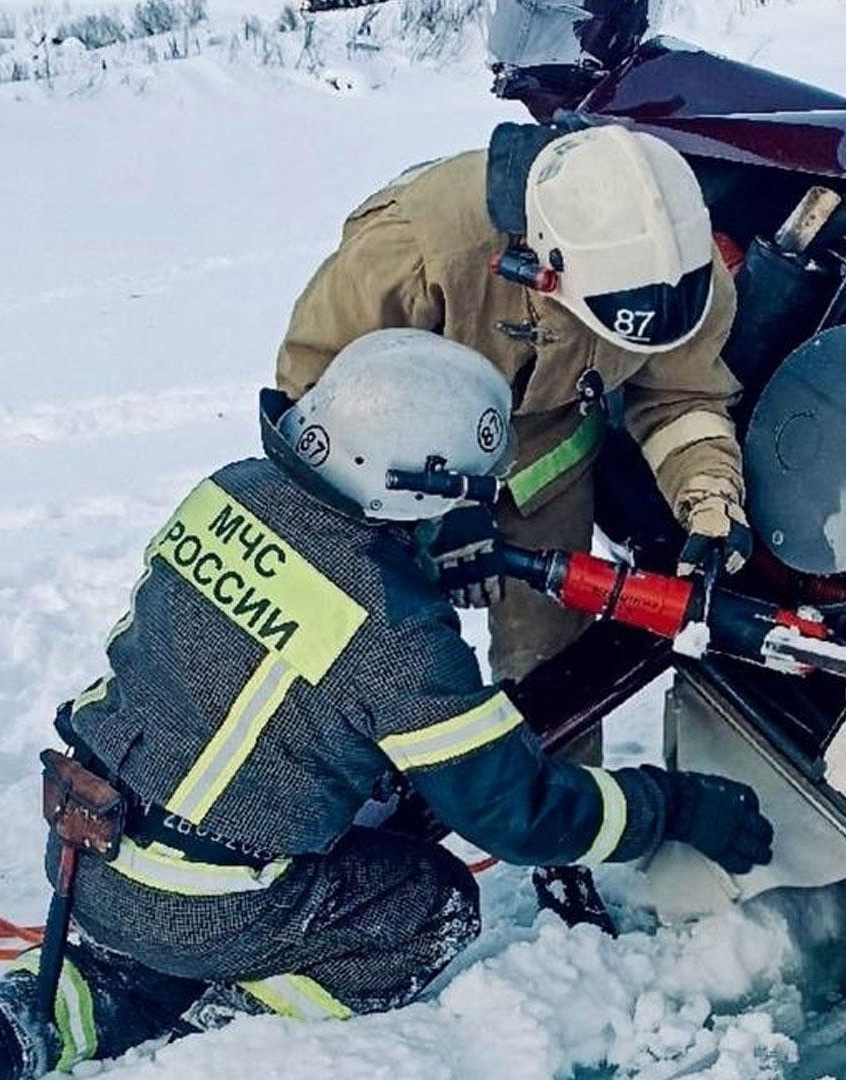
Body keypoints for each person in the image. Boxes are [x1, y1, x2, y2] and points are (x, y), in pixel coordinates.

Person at [0, 329, 774, 1079]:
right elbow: (521, 814)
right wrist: (674, 808)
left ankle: (26, 1016)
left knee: (178, 915)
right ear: (412, 491)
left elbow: (297, 612)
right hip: (206, 897)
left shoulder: (233, 488)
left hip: (86, 845)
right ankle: (233, 1027)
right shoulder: (398, 639)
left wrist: (417, 556)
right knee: (427, 901)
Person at [275, 122, 753, 924]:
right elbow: (313, 392)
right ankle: (333, 819)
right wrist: (440, 514)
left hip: (543, 452)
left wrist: (710, 501)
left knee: (553, 659)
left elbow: (681, 396)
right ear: (543, 267)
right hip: (383, 458)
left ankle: (563, 852)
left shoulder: (681, 274)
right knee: (370, 651)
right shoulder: (419, 246)